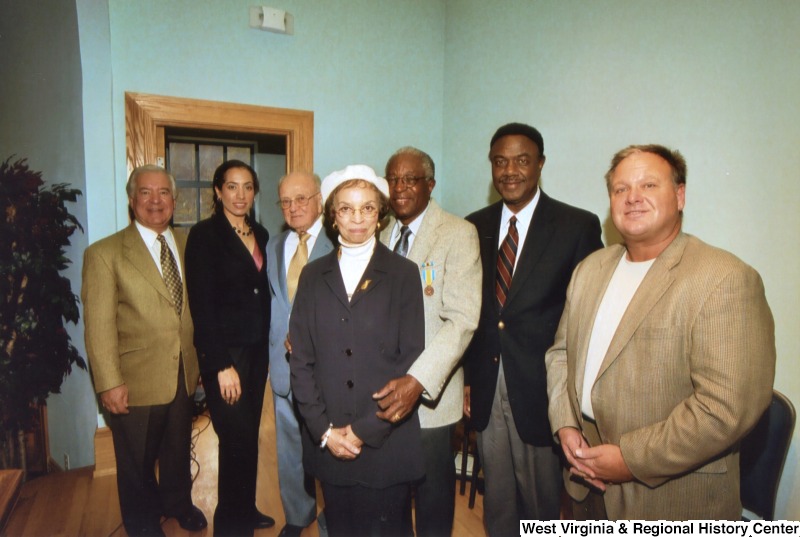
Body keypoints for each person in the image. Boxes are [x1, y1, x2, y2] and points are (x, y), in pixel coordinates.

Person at [545, 144, 776, 520]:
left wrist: (630, 460)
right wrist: (566, 424)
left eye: (649, 185)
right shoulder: (590, 269)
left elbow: (725, 408)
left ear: (680, 195)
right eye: (621, 189)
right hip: (584, 487)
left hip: (671, 502)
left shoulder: (724, 279)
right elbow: (561, 354)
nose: (632, 197)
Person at [463, 123, 603, 533]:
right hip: (489, 384)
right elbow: (474, 312)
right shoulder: (475, 225)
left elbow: (586, 315)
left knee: (542, 503)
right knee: (499, 502)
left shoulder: (576, 225)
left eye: (522, 160)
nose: (510, 170)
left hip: (543, 388)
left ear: (540, 164)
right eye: (500, 161)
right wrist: (469, 379)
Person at [289, 165, 425, 536]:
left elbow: (411, 360)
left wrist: (363, 431)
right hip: (330, 440)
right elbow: (300, 360)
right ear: (332, 215)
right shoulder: (313, 276)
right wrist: (324, 432)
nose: (357, 218)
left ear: (380, 214)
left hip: (386, 442)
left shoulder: (403, 274)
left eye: (367, 207)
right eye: (346, 208)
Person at [82, 164, 207, 536]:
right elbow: (98, 326)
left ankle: (177, 504)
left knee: (177, 449)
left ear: (175, 199)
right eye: (146, 193)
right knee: (135, 461)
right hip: (133, 381)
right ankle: (140, 524)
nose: (156, 201)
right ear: (132, 200)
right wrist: (108, 383)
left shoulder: (189, 245)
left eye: (164, 193)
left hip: (184, 372)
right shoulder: (105, 254)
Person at [374, 146, 481, 536]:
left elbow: (463, 320)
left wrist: (417, 381)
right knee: (391, 500)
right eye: (393, 179)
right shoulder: (378, 233)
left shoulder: (457, 233)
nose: (400, 188)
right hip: (382, 397)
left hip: (430, 401)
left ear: (430, 184)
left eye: (410, 179)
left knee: (433, 504)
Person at [184, 160, 274, 535]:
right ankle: (230, 526)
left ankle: (245, 509)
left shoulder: (262, 233)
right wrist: (220, 364)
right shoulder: (204, 236)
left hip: (256, 353)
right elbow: (201, 307)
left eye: (248, 187)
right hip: (226, 356)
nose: (241, 195)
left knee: (248, 436)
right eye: (232, 187)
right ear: (218, 192)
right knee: (235, 437)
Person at [266, 171, 333, 537]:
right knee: (290, 447)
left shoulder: (341, 240)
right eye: (286, 202)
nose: (294, 208)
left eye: (302, 199)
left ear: (320, 199)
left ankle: (332, 518)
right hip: (282, 367)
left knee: (328, 447)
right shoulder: (276, 245)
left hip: (326, 370)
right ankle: (297, 515)